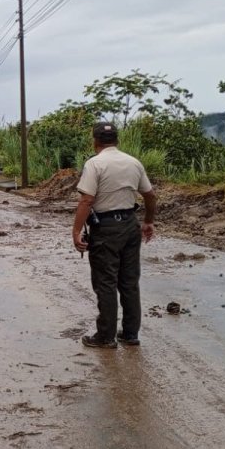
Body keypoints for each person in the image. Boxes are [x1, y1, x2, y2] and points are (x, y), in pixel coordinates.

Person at [72, 122, 157, 349]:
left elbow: (87, 200)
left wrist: (76, 231)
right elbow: (150, 195)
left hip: (106, 228)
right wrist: (148, 221)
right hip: (130, 225)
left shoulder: (94, 164)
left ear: (95, 141)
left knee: (106, 282)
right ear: (117, 140)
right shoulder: (133, 162)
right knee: (129, 282)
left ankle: (106, 336)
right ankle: (130, 333)